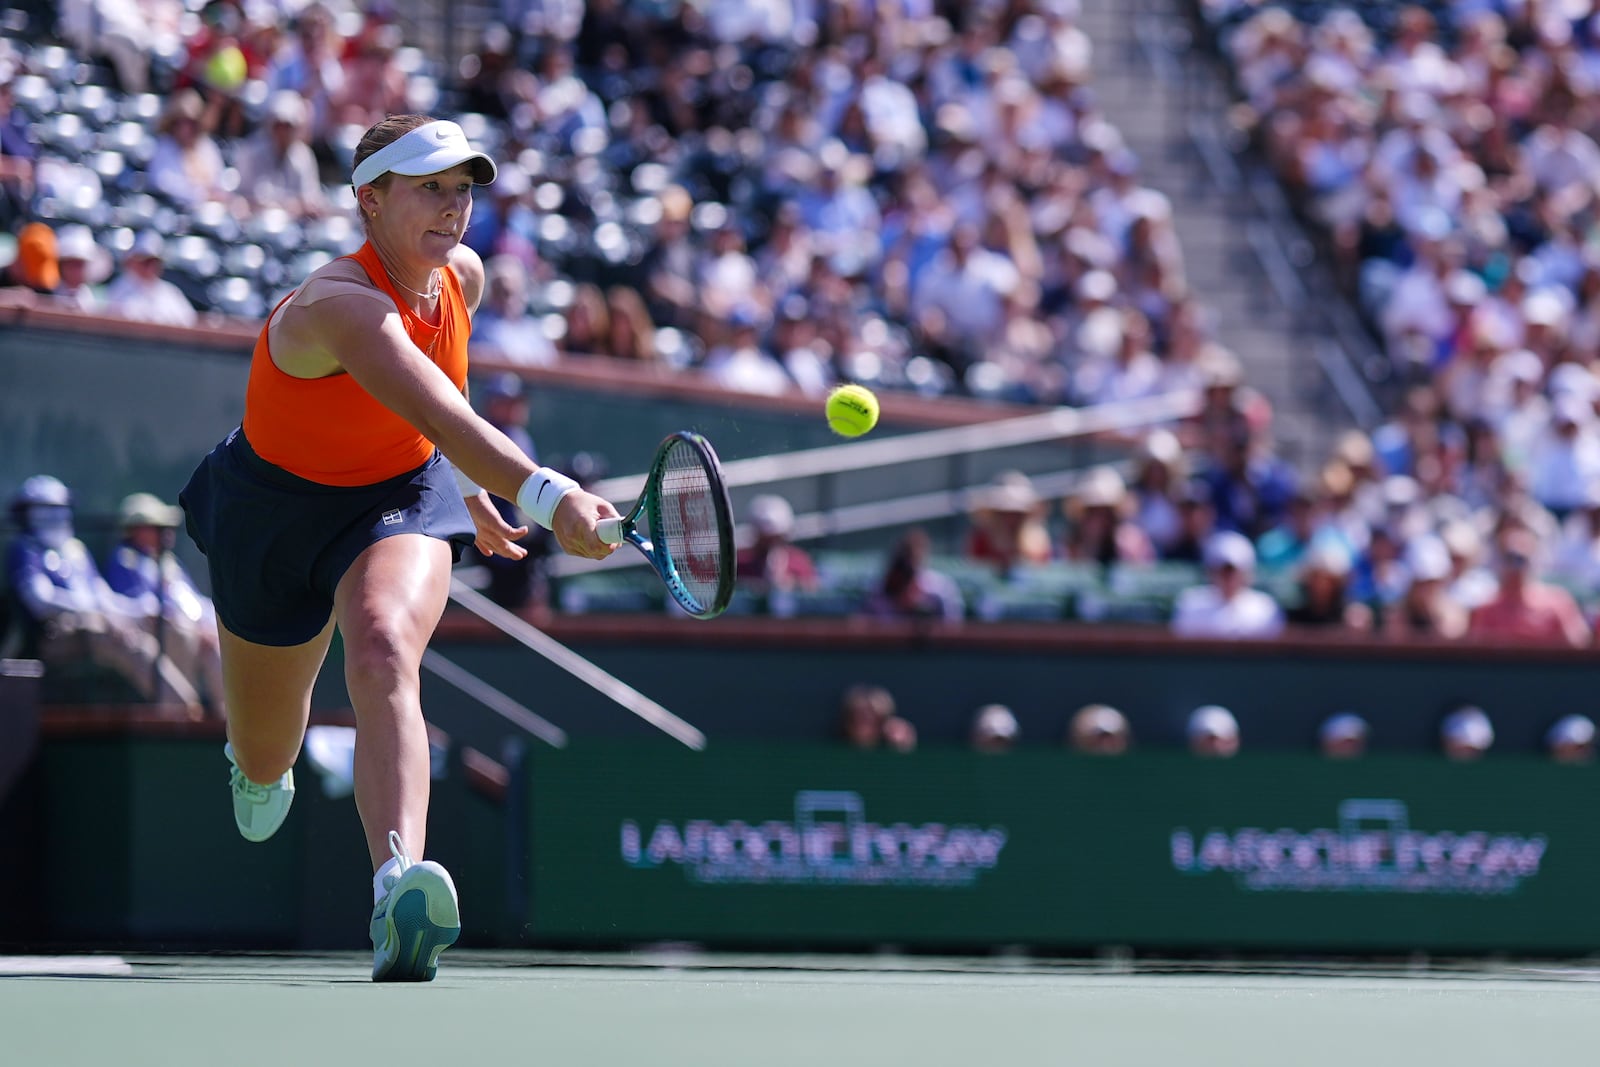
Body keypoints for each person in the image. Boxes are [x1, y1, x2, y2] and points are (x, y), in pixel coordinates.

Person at [177, 114, 620, 983]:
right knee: (267, 755)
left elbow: (439, 392)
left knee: (382, 644)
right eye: (429, 189)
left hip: (394, 496)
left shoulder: (464, 276)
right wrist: (550, 492)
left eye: (462, 191)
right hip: (270, 514)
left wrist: (464, 486)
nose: (453, 210)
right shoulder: (337, 303)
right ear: (369, 200)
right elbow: (441, 409)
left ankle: (395, 888)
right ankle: (257, 766)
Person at [4, 475, 202, 712]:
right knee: (127, 641)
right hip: (55, 636)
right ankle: (184, 711)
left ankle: (190, 713)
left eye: (61, 509)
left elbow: (103, 598)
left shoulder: (75, 550)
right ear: (28, 513)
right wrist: (93, 611)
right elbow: (39, 601)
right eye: (46, 509)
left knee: (155, 630)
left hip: (97, 623)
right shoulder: (24, 549)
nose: (56, 516)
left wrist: (140, 612)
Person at [101, 492, 226, 716]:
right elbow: (139, 607)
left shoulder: (169, 562)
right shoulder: (126, 559)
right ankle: (183, 719)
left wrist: (209, 625)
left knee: (216, 645)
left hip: (188, 631)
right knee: (181, 633)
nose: (167, 532)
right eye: (157, 526)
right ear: (136, 530)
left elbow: (195, 603)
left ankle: (231, 724)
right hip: (156, 634)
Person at [1466, 529, 1591, 647]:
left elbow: (1578, 644)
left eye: (1521, 559)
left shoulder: (1558, 603)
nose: (1515, 567)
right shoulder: (1487, 609)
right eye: (1509, 559)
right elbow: (1478, 652)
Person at [1170, 531, 1285, 638]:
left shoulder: (1266, 609)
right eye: (1223, 571)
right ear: (1211, 572)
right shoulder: (1190, 605)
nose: (1229, 578)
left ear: (1247, 573)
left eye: (1233, 571)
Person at [103, 233, 199, 327]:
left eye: (154, 261)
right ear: (132, 261)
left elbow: (189, 322)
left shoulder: (171, 292)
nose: (150, 266)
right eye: (145, 261)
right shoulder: (119, 288)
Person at [838, 683, 915, 753]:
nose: (866, 718)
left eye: (873, 717)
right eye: (859, 717)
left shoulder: (891, 746)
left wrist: (903, 744)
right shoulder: (838, 749)